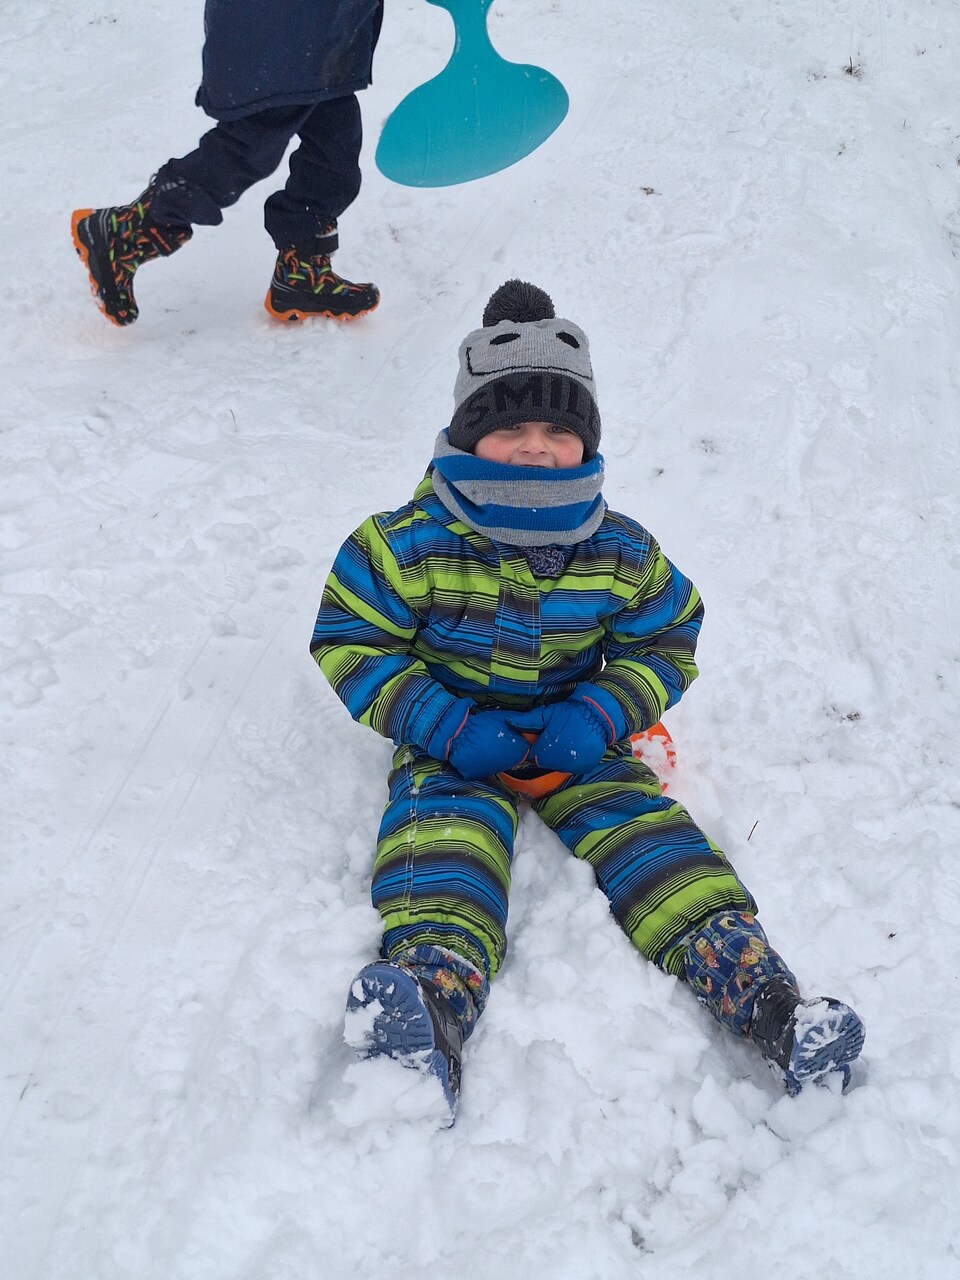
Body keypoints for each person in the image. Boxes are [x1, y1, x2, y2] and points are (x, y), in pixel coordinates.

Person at [311, 279, 865, 1123]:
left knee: (651, 840)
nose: (535, 448)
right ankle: (430, 1002)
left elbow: (666, 637)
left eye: (558, 431)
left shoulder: (619, 549)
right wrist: (444, 725)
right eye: (510, 427)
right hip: (456, 742)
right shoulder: (403, 545)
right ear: (467, 432)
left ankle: (765, 998)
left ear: (587, 443)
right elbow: (352, 639)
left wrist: (603, 713)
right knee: (445, 849)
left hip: (578, 739)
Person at [71, 0, 383, 327]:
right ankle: (126, 232)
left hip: (326, 24)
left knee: (335, 140)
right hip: (287, 23)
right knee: (255, 139)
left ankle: (303, 270)